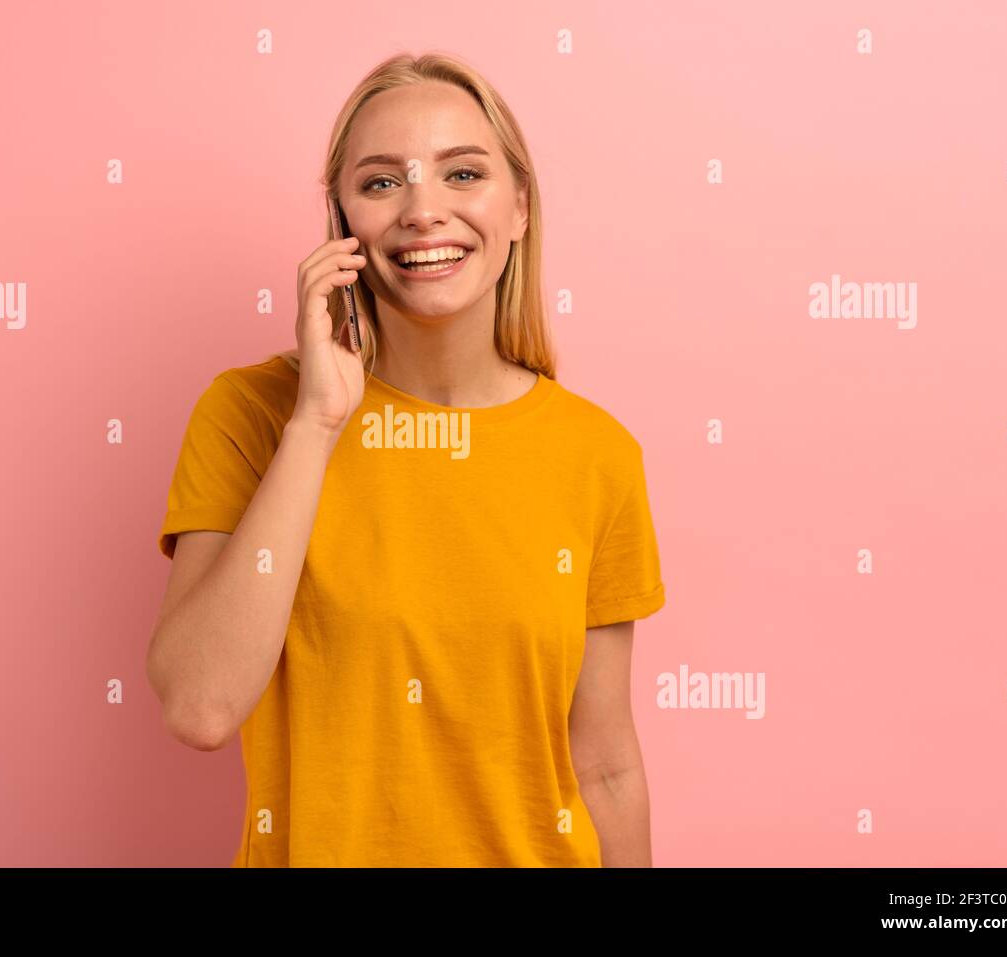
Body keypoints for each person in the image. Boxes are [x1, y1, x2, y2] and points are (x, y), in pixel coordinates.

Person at [147, 52, 666, 867]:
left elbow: (604, 764)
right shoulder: (251, 416)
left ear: (520, 207)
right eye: (384, 182)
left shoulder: (598, 454)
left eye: (463, 173)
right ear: (343, 221)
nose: (425, 210)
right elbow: (201, 707)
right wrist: (316, 424)